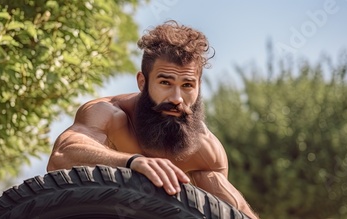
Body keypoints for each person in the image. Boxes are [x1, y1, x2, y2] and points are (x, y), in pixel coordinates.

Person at [47, 20, 259, 219]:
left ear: (198, 87)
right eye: (165, 83)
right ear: (142, 82)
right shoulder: (109, 114)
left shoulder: (204, 150)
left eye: (187, 85)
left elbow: (230, 211)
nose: (177, 99)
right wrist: (132, 162)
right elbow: (61, 156)